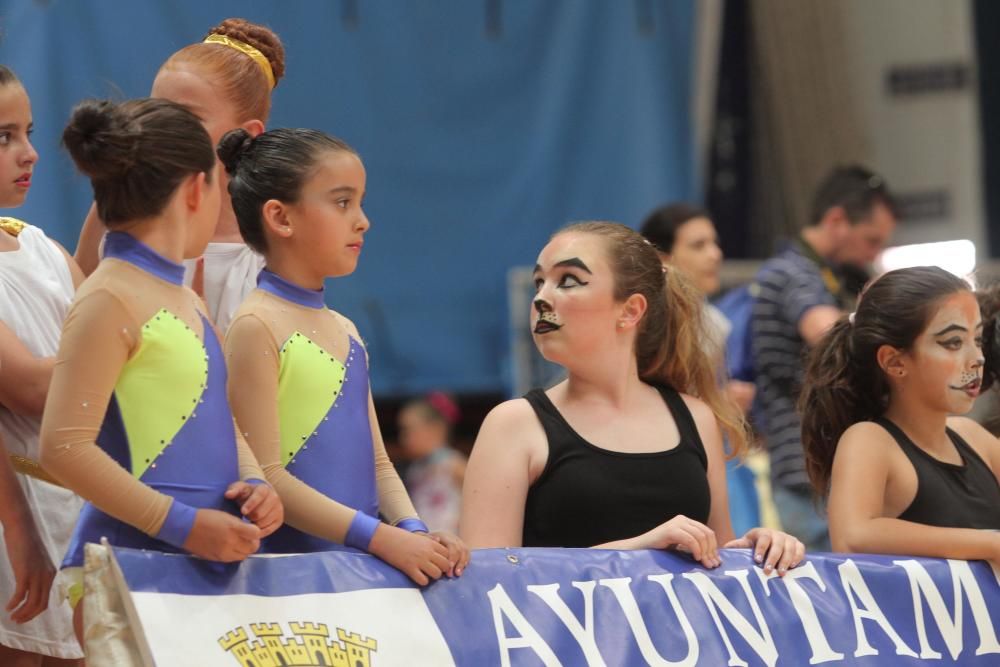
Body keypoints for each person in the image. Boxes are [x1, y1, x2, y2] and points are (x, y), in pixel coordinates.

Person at [39, 98, 283, 637]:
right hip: (127, 569)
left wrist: (254, 478)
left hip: (201, 562)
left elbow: (216, 415)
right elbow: (63, 446)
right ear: (199, 188)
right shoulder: (109, 295)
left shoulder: (184, 298)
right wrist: (184, 525)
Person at [461, 221, 804, 575]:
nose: (542, 298)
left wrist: (757, 549)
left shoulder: (694, 417)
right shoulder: (514, 424)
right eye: (539, 282)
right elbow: (486, 581)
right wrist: (636, 551)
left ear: (630, 310)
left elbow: (716, 561)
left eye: (568, 281)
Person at [220, 127, 469, 585]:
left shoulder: (347, 331)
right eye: (342, 202)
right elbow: (267, 475)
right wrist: (381, 538)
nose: (363, 220)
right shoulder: (257, 325)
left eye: (360, 202)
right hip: (291, 579)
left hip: (359, 575)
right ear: (280, 217)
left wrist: (415, 531)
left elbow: (377, 462)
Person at [74, 18, 285, 331]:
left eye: (188, 117)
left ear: (246, 134)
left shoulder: (269, 246)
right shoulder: (119, 204)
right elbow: (75, 301)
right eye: (158, 109)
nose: (165, 128)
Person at [800, 266, 1000, 560]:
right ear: (894, 362)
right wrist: (991, 544)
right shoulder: (869, 440)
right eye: (953, 342)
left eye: (978, 340)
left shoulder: (973, 437)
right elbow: (853, 537)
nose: (977, 358)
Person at [751, 165, 897, 551]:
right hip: (804, 468)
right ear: (836, 220)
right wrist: (894, 322)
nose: (874, 253)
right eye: (871, 240)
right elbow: (823, 330)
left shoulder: (820, 275)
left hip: (814, 465)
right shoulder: (792, 272)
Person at [0, 64, 85, 666]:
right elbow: (34, 388)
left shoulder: (40, 245)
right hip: (17, 520)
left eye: (28, 132)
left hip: (84, 511)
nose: (29, 153)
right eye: (2, 137)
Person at [640, 203, 760, 534]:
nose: (715, 255)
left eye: (715, 243)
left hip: (713, 453)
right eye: (698, 245)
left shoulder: (714, 322)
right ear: (662, 258)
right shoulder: (641, 326)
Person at [397, 392, 466, 534]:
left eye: (408, 430)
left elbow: (479, 506)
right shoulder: (415, 469)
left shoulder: (455, 464)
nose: (403, 438)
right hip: (426, 543)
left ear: (436, 428)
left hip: (454, 543)